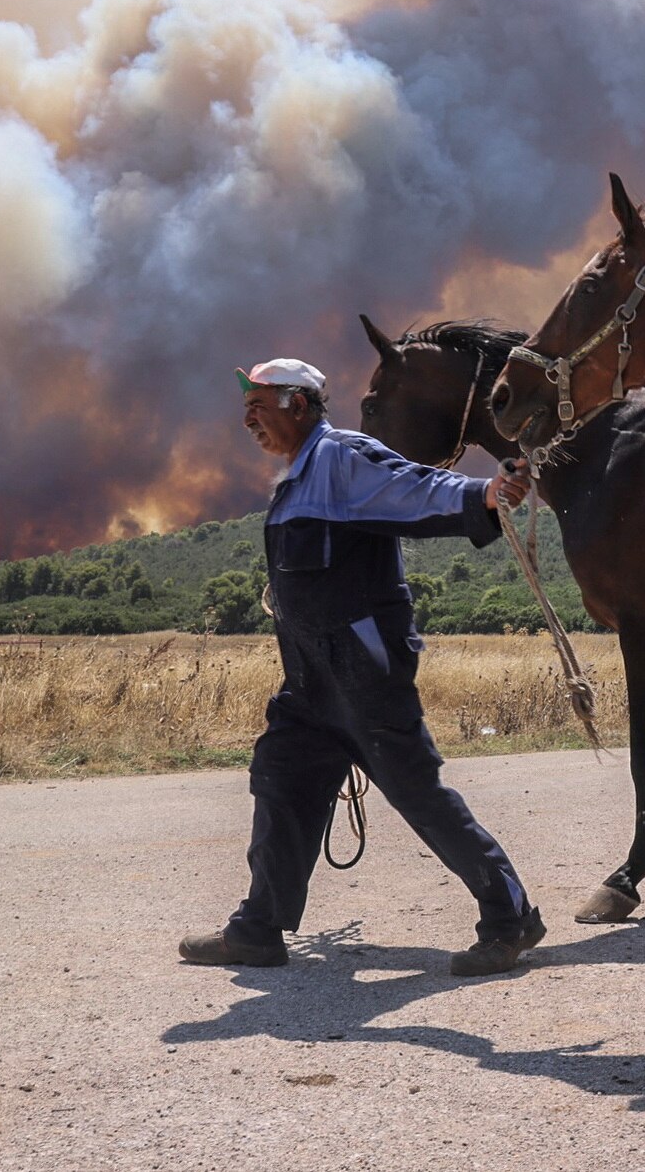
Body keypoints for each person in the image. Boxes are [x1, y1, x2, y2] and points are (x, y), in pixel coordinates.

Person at [179, 357, 543, 975]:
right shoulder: (297, 477)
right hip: (311, 679)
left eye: (258, 406)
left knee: (416, 792)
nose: (247, 420)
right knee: (280, 778)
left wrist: (484, 493)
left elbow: (415, 487)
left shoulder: (343, 457)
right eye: (244, 409)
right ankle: (258, 930)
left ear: (298, 404)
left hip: (363, 671)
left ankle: (511, 918)